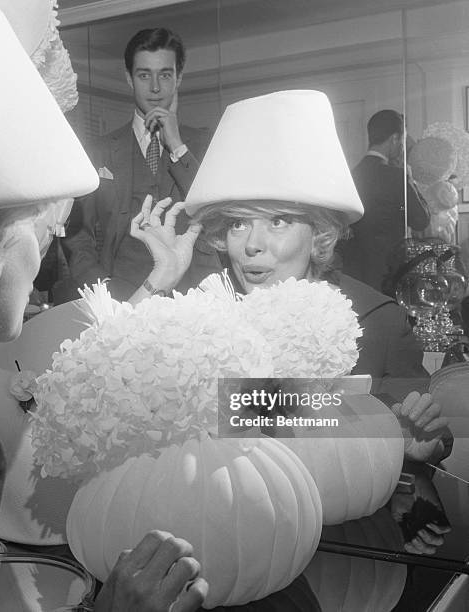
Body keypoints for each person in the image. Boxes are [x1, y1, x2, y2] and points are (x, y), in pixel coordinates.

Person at [0, 3, 208, 611]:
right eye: (44, 223)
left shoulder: (368, 321)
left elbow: (281, 417)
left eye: (277, 219)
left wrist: (380, 434)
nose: (253, 240)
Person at [128, 90, 451, 464]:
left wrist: (416, 443)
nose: (252, 245)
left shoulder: (376, 320)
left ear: (320, 232)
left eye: (277, 221)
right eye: (238, 223)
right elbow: (113, 395)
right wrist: (161, 278)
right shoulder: (206, 314)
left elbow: (432, 430)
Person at [62, 27, 222, 302]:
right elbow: (77, 233)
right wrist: (101, 289)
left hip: (194, 303)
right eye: (144, 75)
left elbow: (216, 215)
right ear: (129, 78)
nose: (156, 87)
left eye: (165, 74)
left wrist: (177, 146)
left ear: (179, 78)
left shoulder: (206, 145)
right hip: (120, 301)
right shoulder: (97, 151)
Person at [339, 109, 430, 293]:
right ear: (395, 139)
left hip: (355, 272)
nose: (402, 147)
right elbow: (421, 220)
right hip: (390, 272)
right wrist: (410, 180)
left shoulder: (348, 176)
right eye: (402, 141)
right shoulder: (396, 177)